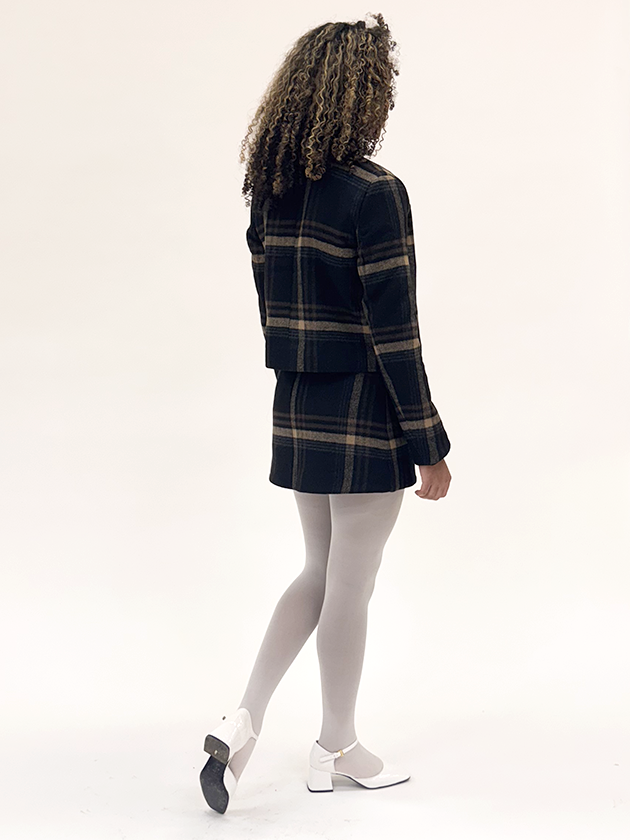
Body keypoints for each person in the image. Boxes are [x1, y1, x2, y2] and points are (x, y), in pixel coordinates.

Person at [199, 12, 452, 814]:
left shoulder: (270, 193)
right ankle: (337, 745)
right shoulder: (376, 194)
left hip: (299, 401)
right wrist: (428, 441)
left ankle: (243, 720)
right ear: (363, 95)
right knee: (351, 580)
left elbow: (270, 312)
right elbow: (396, 331)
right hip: (364, 408)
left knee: (320, 570)